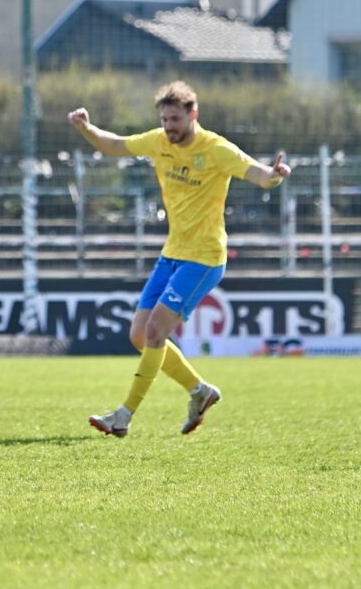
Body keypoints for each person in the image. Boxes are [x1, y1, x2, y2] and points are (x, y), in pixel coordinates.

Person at [67, 81, 292, 437]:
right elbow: (115, 146)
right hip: (172, 254)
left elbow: (258, 174)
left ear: (193, 115)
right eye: (165, 119)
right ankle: (201, 392)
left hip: (204, 259)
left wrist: (275, 177)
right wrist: (86, 128)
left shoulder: (216, 149)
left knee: (156, 331)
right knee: (140, 335)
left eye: (175, 119)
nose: (169, 126)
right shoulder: (159, 141)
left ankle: (123, 416)